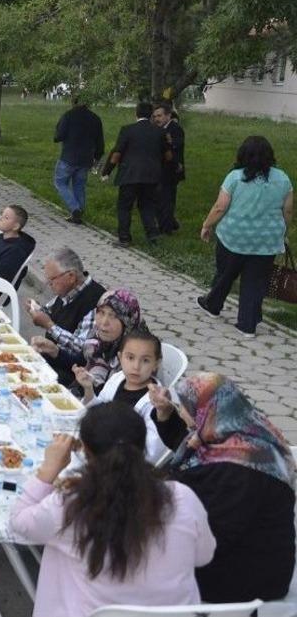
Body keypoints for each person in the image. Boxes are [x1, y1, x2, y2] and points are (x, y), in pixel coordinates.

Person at [9, 401, 215, 617]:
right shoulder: (182, 497)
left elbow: (19, 523)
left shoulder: (73, 503)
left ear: (85, 450)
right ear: (142, 447)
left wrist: (48, 470)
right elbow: (203, 556)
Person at [150, 372, 296, 603]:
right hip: (238, 549)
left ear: (207, 409)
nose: (182, 411)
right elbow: (190, 445)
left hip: (250, 573)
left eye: (185, 406)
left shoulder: (242, 469)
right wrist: (165, 413)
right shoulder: (239, 428)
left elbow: (216, 536)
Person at [198, 135, 292, 337]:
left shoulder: (235, 177)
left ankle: (213, 304)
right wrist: (283, 231)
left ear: (242, 155)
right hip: (266, 241)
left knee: (225, 273)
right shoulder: (283, 179)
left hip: (233, 237)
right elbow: (288, 211)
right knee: (255, 281)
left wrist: (207, 225)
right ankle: (247, 325)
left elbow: (220, 207)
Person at [79, 327, 168, 463]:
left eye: (145, 360)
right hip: (99, 446)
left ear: (156, 364)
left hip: (124, 463)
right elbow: (100, 410)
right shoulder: (118, 378)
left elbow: (151, 452)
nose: (136, 366)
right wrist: (88, 389)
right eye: (130, 358)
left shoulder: (155, 401)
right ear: (120, 358)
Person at [33, 288, 144, 393]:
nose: (104, 322)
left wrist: (87, 389)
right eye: (101, 312)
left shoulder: (130, 359)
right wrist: (54, 351)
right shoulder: (96, 339)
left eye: (114, 316)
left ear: (127, 323)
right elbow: (80, 365)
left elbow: (111, 401)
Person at [26, 248, 106, 386]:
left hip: (74, 373)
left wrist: (49, 326)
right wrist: (36, 309)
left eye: (51, 280)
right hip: (52, 358)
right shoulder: (67, 291)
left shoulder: (95, 302)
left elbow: (83, 348)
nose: (48, 284)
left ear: (71, 277)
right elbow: (52, 311)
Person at [100, 101, 167, 246]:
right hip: (151, 176)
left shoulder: (127, 130)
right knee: (147, 205)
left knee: (124, 206)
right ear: (151, 115)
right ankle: (152, 235)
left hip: (129, 175)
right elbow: (167, 155)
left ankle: (124, 238)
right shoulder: (159, 132)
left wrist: (107, 171)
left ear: (136, 113)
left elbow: (117, 153)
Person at [53, 96, 104, 223]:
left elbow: (58, 136)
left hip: (68, 157)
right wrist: (96, 159)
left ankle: (74, 208)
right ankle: (78, 213)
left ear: (73, 102)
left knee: (60, 183)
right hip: (86, 159)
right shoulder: (95, 119)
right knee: (79, 186)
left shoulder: (68, 115)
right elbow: (100, 143)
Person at [153, 102, 185, 233]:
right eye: (155, 116)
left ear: (168, 115)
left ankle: (166, 229)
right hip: (159, 169)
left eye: (159, 116)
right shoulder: (158, 128)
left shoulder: (175, 128)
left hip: (171, 170)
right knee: (159, 199)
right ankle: (170, 223)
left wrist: (168, 141)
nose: (157, 119)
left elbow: (176, 145)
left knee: (166, 200)